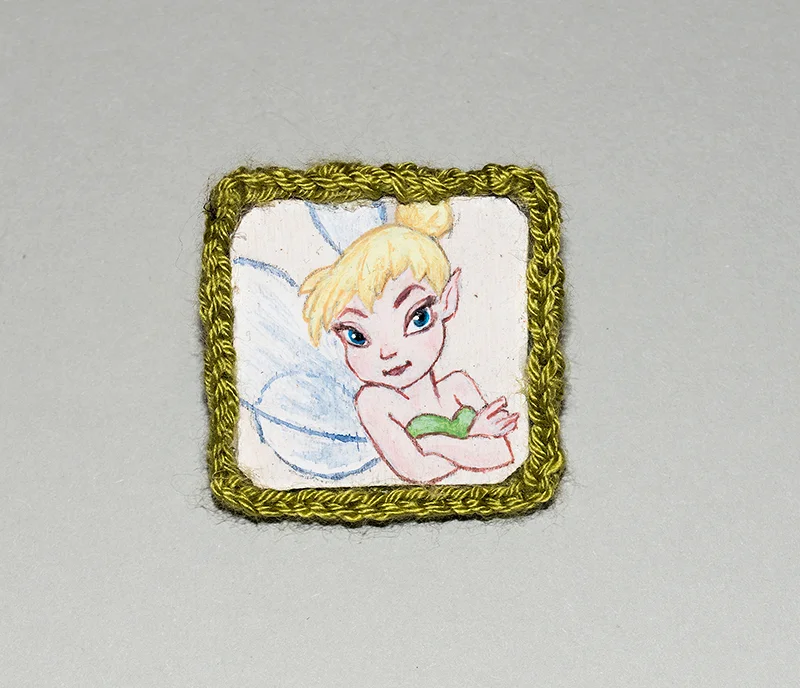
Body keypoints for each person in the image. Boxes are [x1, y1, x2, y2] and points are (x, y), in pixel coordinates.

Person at [299, 200, 518, 484]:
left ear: (448, 300)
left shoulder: (459, 386)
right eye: (357, 336)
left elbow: (501, 454)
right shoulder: (374, 401)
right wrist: (473, 438)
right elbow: (416, 470)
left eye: (418, 318)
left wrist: (432, 444)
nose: (388, 352)